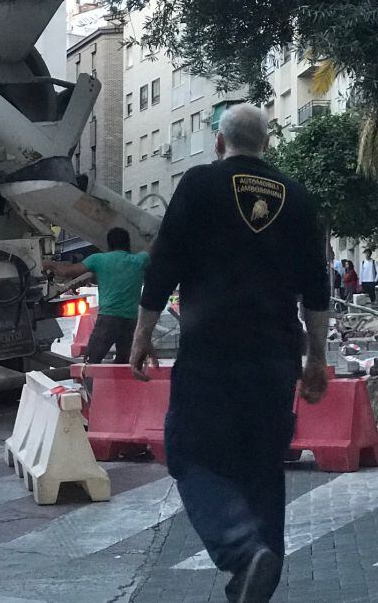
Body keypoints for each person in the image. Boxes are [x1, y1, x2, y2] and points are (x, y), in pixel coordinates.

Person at [130, 104, 328, 603]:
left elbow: (164, 264)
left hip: (210, 355)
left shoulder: (199, 184)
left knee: (191, 455)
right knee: (263, 465)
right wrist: (317, 359)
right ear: (267, 145)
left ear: (220, 144)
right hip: (274, 359)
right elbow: (317, 289)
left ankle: (242, 551)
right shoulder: (298, 198)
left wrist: (141, 335)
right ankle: (258, 574)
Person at [42, 227, 149, 365]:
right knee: (125, 362)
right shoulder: (139, 260)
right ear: (128, 243)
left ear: (109, 244)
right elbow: (155, 249)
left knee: (91, 361)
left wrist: (50, 264)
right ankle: (119, 385)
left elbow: (67, 271)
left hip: (109, 318)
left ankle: (91, 385)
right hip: (131, 320)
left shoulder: (99, 259)